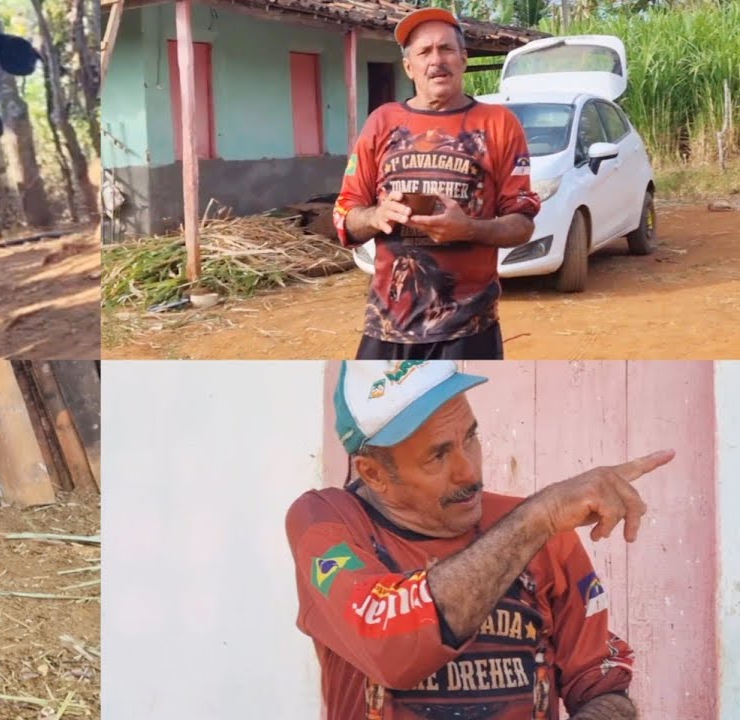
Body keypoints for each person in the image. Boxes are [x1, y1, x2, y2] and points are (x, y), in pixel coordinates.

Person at [285, 360, 675, 719]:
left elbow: (598, 683)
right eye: (437, 457)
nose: (468, 471)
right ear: (373, 474)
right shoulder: (326, 524)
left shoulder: (541, 532)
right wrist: (536, 519)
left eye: (470, 438)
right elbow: (387, 644)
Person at [333, 8, 542, 360]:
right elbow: (345, 216)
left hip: (470, 325)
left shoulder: (499, 125)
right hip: (388, 324)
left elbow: (522, 225)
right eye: (424, 52)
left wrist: (469, 229)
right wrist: (375, 216)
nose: (436, 60)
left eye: (446, 49)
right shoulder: (382, 123)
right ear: (408, 67)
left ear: (463, 58)